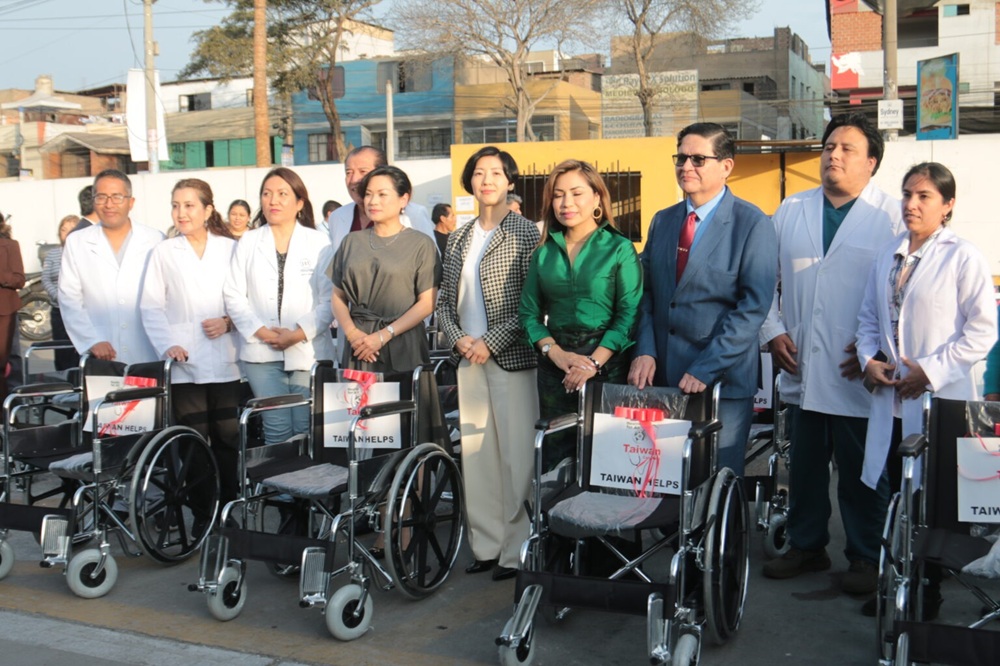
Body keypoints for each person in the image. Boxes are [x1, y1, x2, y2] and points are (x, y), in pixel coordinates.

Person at [759, 113, 904, 595]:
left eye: (846, 149)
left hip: (857, 371)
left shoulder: (890, 217)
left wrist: (877, 349)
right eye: (828, 147)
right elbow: (763, 282)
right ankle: (807, 544)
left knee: (864, 468)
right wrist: (773, 331)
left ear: (872, 162)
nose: (833, 156)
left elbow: (905, 291)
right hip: (800, 360)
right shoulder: (792, 209)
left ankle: (866, 555)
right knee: (802, 465)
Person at [856, 162, 997, 618]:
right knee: (899, 496)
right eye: (907, 195)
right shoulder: (887, 255)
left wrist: (930, 372)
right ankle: (896, 583)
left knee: (934, 504)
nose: (912, 205)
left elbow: (982, 332)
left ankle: (926, 592)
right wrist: (869, 361)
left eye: (924, 197)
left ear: (948, 205)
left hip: (941, 400)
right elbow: (867, 322)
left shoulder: (963, 255)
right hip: (894, 400)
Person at [628, 122, 777, 478]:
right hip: (664, 377)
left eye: (698, 158)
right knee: (665, 479)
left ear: (726, 166)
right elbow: (646, 292)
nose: (686, 166)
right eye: (680, 158)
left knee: (718, 482)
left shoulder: (752, 223)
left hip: (721, 379)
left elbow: (752, 307)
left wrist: (706, 367)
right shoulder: (663, 222)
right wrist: (645, 349)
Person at [436, 146, 540, 582]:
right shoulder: (459, 236)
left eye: (496, 173)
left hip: (511, 358)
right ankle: (486, 544)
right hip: (467, 359)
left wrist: (490, 342)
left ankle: (517, 550)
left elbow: (532, 303)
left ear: (510, 182)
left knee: (516, 455)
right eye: (479, 173)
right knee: (476, 455)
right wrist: (460, 340)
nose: (487, 180)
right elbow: (444, 301)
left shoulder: (525, 233)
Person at [520, 159, 642, 470]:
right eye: (558, 195)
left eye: (576, 193)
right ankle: (554, 519)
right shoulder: (544, 252)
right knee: (555, 460)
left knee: (608, 460)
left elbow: (628, 315)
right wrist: (556, 354)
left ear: (597, 198)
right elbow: (530, 314)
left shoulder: (619, 247)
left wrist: (593, 363)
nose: (566, 203)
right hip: (555, 368)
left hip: (607, 364)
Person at [141, 179, 242, 503]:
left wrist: (228, 322)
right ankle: (202, 510)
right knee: (192, 438)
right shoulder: (164, 252)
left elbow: (247, 301)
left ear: (208, 209)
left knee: (228, 437)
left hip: (228, 359)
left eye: (189, 205)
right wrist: (167, 344)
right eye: (175, 205)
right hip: (185, 360)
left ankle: (228, 504)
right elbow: (151, 305)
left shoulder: (231, 249)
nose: (181, 213)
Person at [223, 167, 335, 445]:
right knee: (275, 426)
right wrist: (263, 332)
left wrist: (298, 333)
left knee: (306, 425)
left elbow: (329, 298)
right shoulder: (249, 241)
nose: (273, 200)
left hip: (307, 349)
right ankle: (282, 489)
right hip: (261, 352)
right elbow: (233, 294)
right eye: (267, 194)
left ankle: (306, 488)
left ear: (299, 203)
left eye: (283, 194)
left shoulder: (319, 242)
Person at [330, 165, 440, 373]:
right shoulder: (351, 241)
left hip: (403, 342)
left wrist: (385, 334)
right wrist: (353, 334)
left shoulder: (421, 244)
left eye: (382, 194)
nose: (373, 201)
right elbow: (337, 296)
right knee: (359, 403)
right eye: (369, 194)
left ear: (403, 199)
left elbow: (427, 303)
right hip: (360, 345)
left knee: (404, 403)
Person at [59, 169, 164, 365]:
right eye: (101, 197)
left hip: (148, 349)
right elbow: (69, 298)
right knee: (103, 396)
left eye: (117, 197)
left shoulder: (155, 240)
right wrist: (91, 340)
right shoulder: (77, 242)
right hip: (100, 351)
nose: (109, 204)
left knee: (147, 396)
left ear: (131, 202)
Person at [327, 146, 436, 252]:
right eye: (348, 173)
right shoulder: (337, 217)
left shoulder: (414, 214)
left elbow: (431, 260)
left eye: (363, 171)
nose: (354, 180)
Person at [41, 214, 80, 370]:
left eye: (71, 229)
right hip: (58, 309)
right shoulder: (53, 254)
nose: (66, 233)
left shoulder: (81, 253)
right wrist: (58, 297)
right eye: (63, 229)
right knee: (61, 347)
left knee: (76, 348)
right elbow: (45, 279)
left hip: (77, 310)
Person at [0, 212, 24, 401]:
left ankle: (10, 405)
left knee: (6, 360)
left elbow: (19, 279)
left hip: (4, 311)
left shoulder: (10, 245)